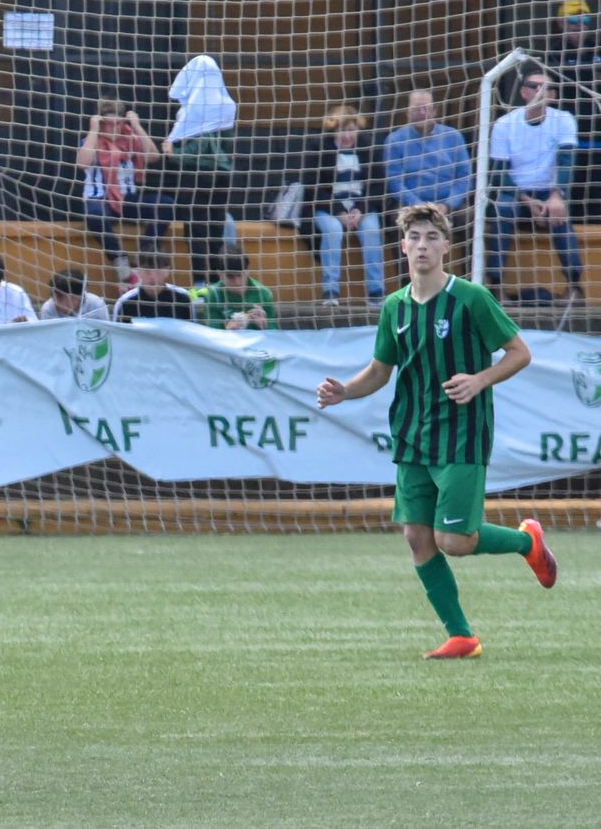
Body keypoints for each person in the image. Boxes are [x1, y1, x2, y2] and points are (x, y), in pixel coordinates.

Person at [315, 204, 555, 660]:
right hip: (412, 435)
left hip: (462, 435)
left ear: (446, 246)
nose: (422, 245)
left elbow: (519, 352)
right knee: (416, 536)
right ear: (402, 245)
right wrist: (345, 390)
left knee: (455, 542)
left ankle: (528, 541)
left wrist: (479, 379)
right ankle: (461, 635)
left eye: (431, 237)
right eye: (414, 237)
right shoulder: (394, 306)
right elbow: (380, 370)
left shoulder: (470, 298)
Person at [487, 66, 584, 300]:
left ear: (553, 95)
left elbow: (566, 162)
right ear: (523, 92)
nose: (541, 91)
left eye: (547, 87)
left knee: (560, 213)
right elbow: (500, 172)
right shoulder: (504, 124)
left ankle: (574, 286)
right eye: (534, 86)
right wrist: (527, 200)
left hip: (550, 191)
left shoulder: (564, 120)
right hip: (516, 193)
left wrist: (556, 196)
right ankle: (496, 285)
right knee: (503, 209)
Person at [75, 97, 175, 286]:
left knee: (165, 204)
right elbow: (82, 163)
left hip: (127, 197)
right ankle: (122, 265)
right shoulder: (92, 140)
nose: (113, 128)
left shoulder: (131, 140)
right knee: (95, 215)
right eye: (108, 124)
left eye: (118, 123)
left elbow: (153, 156)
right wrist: (94, 129)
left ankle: (144, 254)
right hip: (100, 198)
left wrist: (136, 126)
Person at [161, 54, 236, 285]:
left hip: (194, 177)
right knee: (216, 228)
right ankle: (215, 280)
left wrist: (174, 154)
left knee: (195, 229)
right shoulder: (227, 104)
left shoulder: (193, 107)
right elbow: (227, 146)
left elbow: (199, 148)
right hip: (222, 177)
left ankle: (200, 283)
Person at [306, 105, 387, 306]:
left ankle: (376, 293)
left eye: (351, 129)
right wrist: (339, 211)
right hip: (329, 206)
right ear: (334, 130)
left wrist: (360, 209)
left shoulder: (368, 146)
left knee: (371, 230)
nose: (347, 135)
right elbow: (313, 187)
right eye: (342, 130)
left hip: (361, 206)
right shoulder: (319, 147)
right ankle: (331, 292)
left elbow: (378, 186)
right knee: (333, 231)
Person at [382, 89, 472, 262]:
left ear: (435, 110)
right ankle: (407, 283)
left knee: (473, 219)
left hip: (449, 205)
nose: (422, 113)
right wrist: (417, 205)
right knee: (397, 222)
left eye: (426, 108)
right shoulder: (395, 140)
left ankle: (473, 279)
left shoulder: (453, 137)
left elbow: (464, 177)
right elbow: (394, 181)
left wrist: (448, 204)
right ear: (407, 112)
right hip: (411, 204)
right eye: (417, 109)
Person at [549, 0, 601, 222]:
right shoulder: (550, 56)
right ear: (561, 23)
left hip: (597, 138)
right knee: (572, 202)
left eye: (584, 20)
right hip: (567, 144)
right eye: (572, 20)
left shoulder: (597, 52)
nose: (579, 26)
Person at [199, 246, 276, 330]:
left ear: (248, 271)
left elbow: (276, 333)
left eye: (240, 275)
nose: (237, 282)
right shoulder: (213, 295)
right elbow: (211, 334)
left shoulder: (263, 293)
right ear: (220, 274)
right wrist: (227, 331)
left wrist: (265, 326)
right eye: (230, 276)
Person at [111, 250, 194, 322]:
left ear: (167, 271)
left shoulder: (183, 298)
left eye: (158, 272)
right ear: (138, 271)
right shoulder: (125, 302)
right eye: (147, 272)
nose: (152, 277)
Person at [38, 268, 110, 321]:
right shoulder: (48, 309)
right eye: (53, 296)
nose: (55, 301)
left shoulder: (96, 305)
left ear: (76, 297)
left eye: (60, 297)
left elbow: (106, 333)